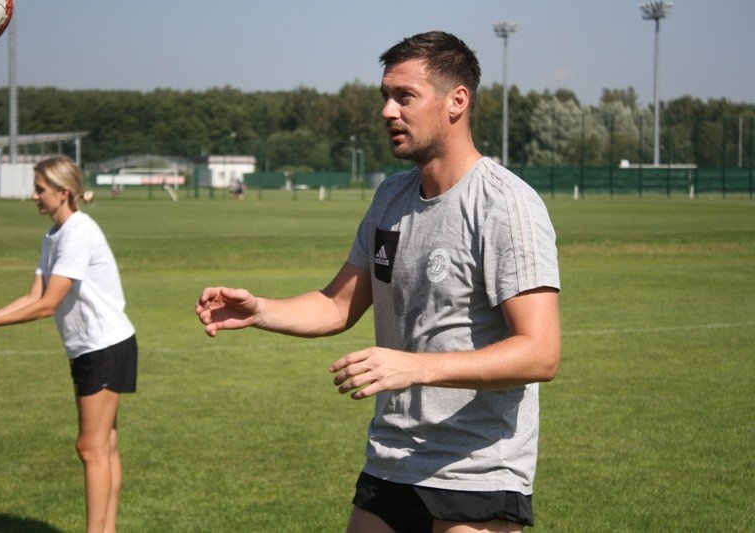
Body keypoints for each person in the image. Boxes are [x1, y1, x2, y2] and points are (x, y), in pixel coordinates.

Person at [195, 31, 560, 532]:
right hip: (391, 459)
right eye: (385, 96)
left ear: (457, 101)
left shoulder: (505, 205)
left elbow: (540, 353)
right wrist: (260, 310)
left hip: (476, 470)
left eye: (404, 96)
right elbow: (336, 304)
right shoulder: (391, 197)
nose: (388, 111)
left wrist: (414, 367)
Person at [0, 155, 137, 533]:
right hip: (94, 348)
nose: (33, 195)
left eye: (40, 189)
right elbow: (32, 296)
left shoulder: (77, 234)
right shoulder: (54, 235)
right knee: (102, 446)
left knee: (90, 447)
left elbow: (47, 305)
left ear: (63, 192)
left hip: (104, 347)